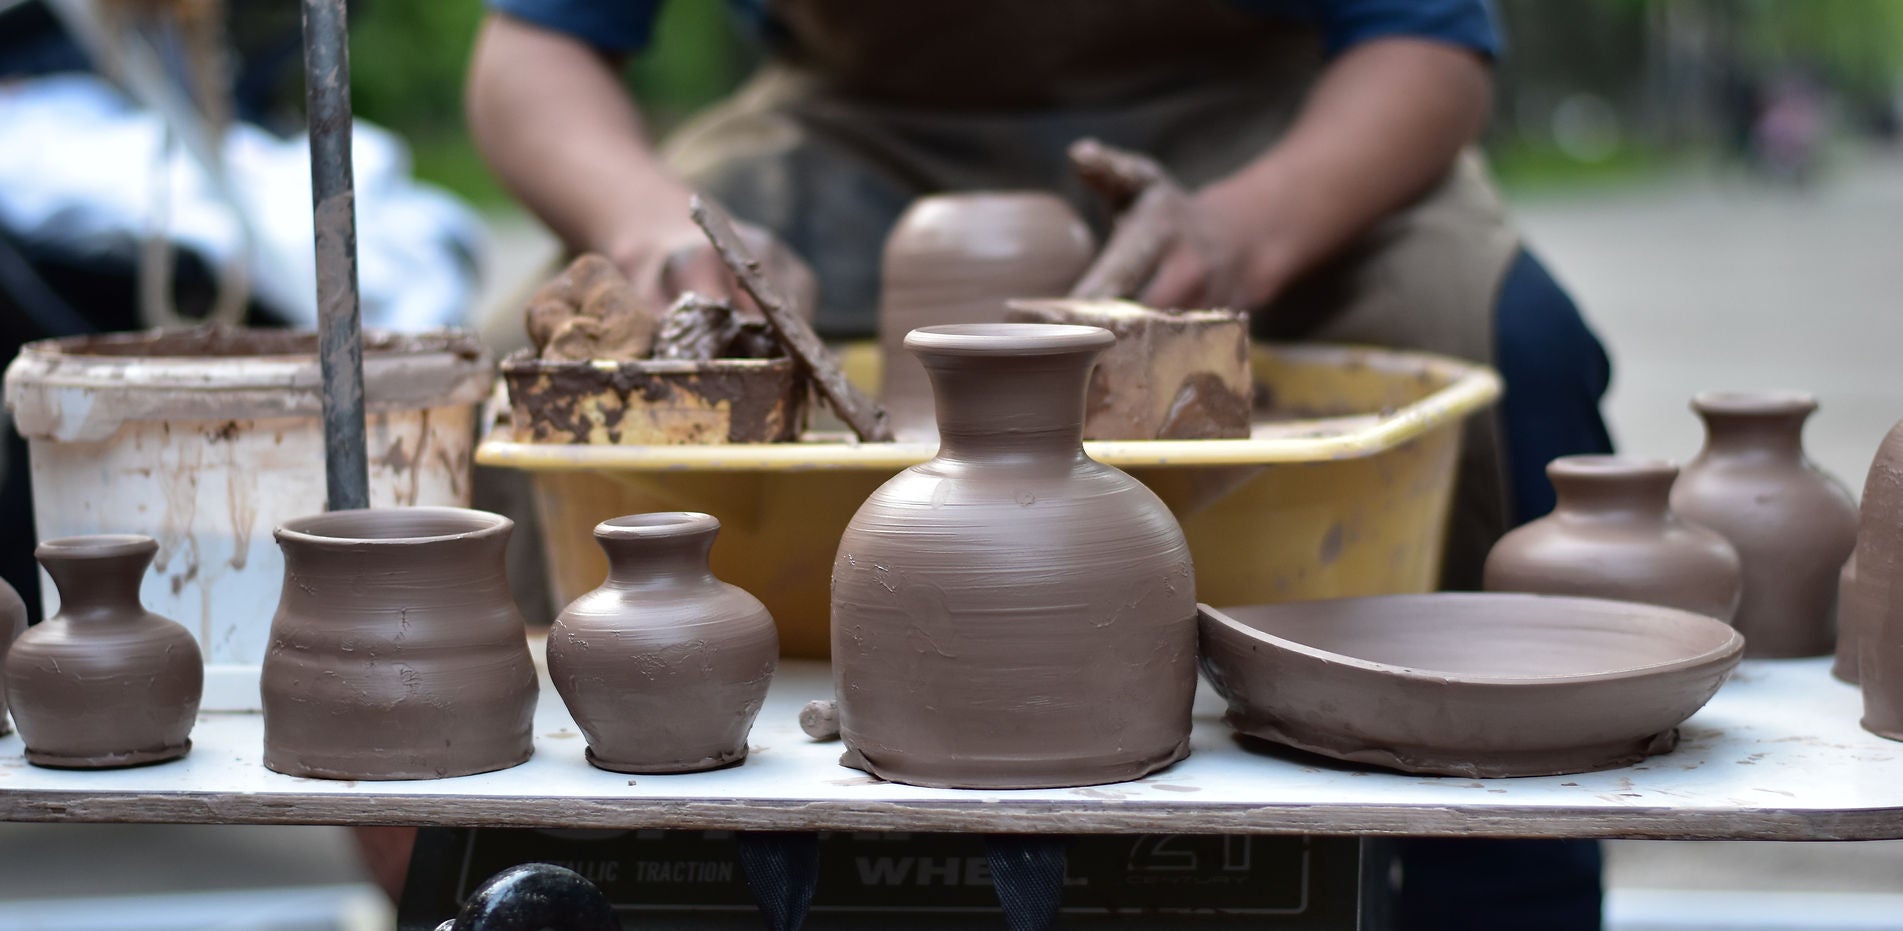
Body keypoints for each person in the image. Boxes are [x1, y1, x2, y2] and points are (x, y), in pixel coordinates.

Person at [465, 2, 1614, 928]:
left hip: (1248, 133)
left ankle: (1500, 893)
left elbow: (1430, 41)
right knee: (521, 384)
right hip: (838, 142)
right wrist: (656, 230)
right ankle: (539, 878)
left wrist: (1245, 231)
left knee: (1515, 350)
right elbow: (533, 45)